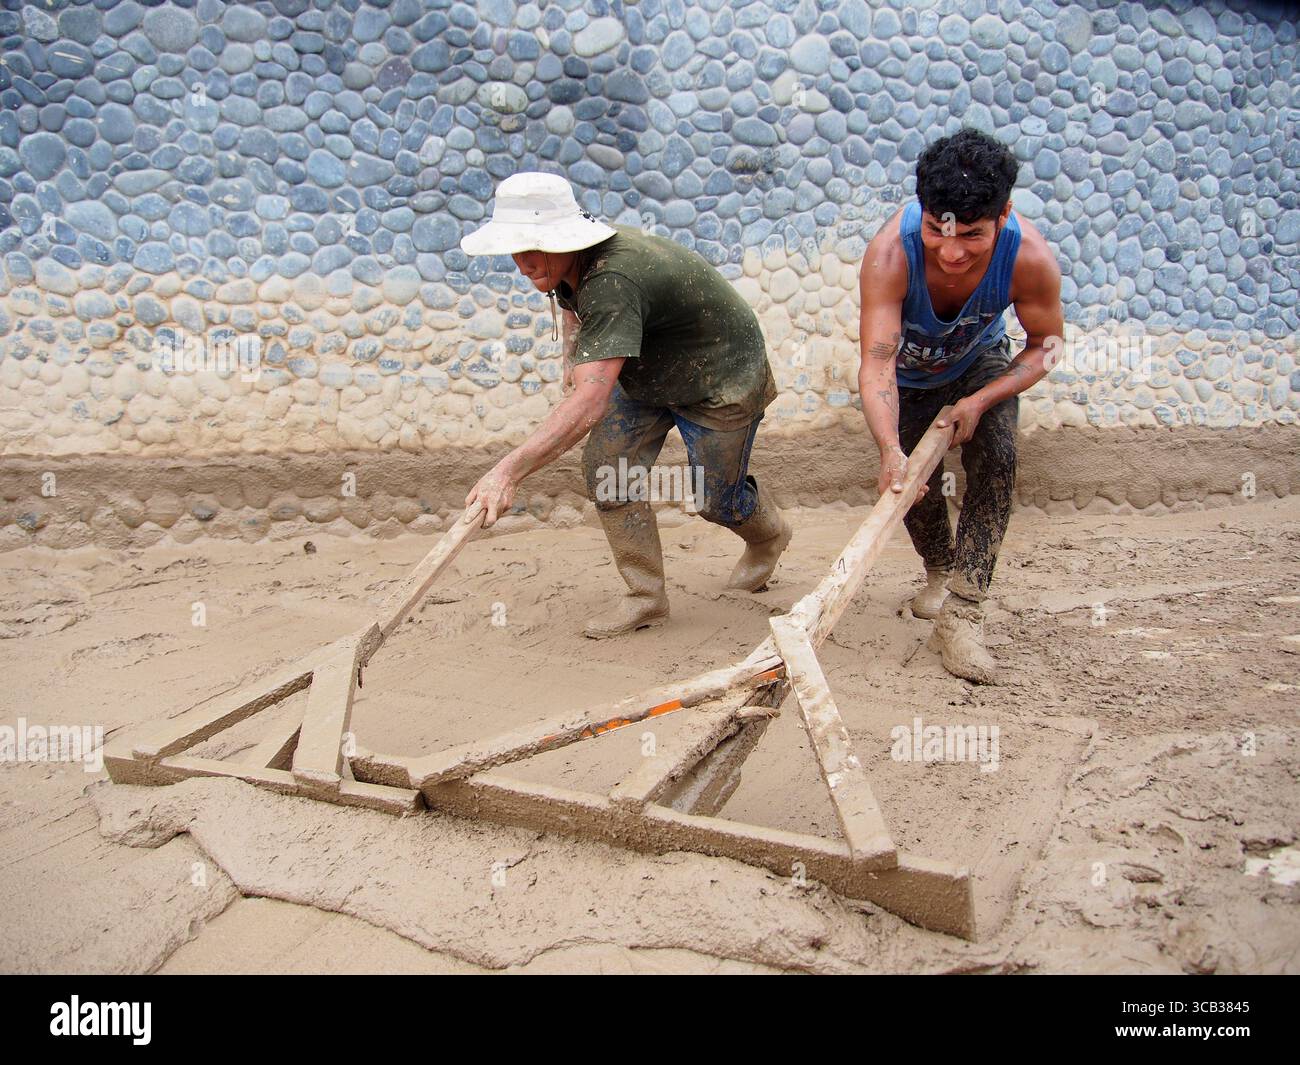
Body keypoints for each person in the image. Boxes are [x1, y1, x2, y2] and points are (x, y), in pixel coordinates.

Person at [459, 172, 792, 638]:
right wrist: (573, 362)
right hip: (646, 370)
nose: (523, 263)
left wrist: (507, 472)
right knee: (608, 471)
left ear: (563, 238)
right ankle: (645, 597)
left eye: (534, 247)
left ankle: (769, 535)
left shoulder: (611, 277)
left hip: (720, 377)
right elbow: (574, 307)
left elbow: (591, 401)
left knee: (715, 500)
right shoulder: (569, 264)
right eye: (516, 248)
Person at [856, 129, 1064, 683]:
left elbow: (1046, 347)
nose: (950, 253)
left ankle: (964, 611)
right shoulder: (889, 255)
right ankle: (939, 571)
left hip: (980, 361)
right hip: (908, 375)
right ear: (923, 213)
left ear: (1004, 215)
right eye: (935, 231)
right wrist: (889, 447)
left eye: (972, 235)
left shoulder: (1030, 259)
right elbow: (877, 361)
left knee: (997, 454)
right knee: (910, 484)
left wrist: (980, 399)